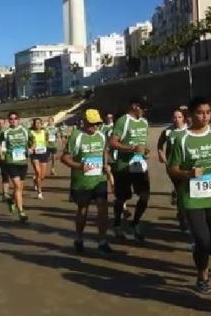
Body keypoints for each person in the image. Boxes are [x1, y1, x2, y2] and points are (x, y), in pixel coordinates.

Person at [167, 96, 211, 296]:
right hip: (192, 198)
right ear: (190, 115)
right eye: (200, 113)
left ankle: (200, 252)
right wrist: (188, 174)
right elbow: (172, 169)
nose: (205, 116)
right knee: (203, 242)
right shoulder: (181, 139)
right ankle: (202, 278)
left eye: (208, 113)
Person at [61, 109, 113, 254]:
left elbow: (104, 151)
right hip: (82, 181)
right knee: (82, 210)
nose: (95, 126)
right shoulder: (76, 136)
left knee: (103, 209)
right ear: (85, 121)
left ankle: (102, 241)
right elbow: (65, 158)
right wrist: (80, 166)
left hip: (99, 179)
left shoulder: (102, 135)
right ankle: (79, 238)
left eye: (97, 123)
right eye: (92, 123)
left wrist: (105, 164)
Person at [109, 96, 152, 242]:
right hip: (123, 167)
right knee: (122, 198)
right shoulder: (123, 121)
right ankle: (117, 223)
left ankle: (135, 223)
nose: (145, 110)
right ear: (134, 106)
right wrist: (132, 148)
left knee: (145, 196)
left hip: (140, 165)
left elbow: (142, 143)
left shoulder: (144, 122)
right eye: (143, 107)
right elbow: (113, 143)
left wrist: (145, 150)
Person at [158, 108, 189, 233]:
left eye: (179, 117)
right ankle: (183, 221)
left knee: (187, 192)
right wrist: (161, 154)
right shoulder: (167, 131)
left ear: (184, 118)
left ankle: (183, 212)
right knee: (182, 193)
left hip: (187, 166)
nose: (177, 119)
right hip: (172, 167)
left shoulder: (189, 130)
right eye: (174, 117)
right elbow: (160, 144)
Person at [1, 112, 32, 223]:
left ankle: (12, 201)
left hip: (23, 162)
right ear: (9, 120)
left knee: (19, 188)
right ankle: (21, 212)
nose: (13, 120)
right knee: (17, 186)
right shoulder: (5, 132)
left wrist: (31, 148)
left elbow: (33, 141)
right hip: (11, 161)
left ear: (19, 119)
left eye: (15, 118)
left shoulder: (25, 130)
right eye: (11, 119)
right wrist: (2, 153)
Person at [29, 118, 50, 199]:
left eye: (39, 123)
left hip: (43, 154)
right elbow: (28, 142)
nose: (38, 124)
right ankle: (40, 192)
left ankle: (35, 180)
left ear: (41, 124)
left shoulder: (44, 132)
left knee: (42, 176)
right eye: (36, 123)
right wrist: (31, 148)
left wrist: (45, 145)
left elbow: (47, 140)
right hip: (35, 154)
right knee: (38, 172)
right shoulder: (31, 132)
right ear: (34, 124)